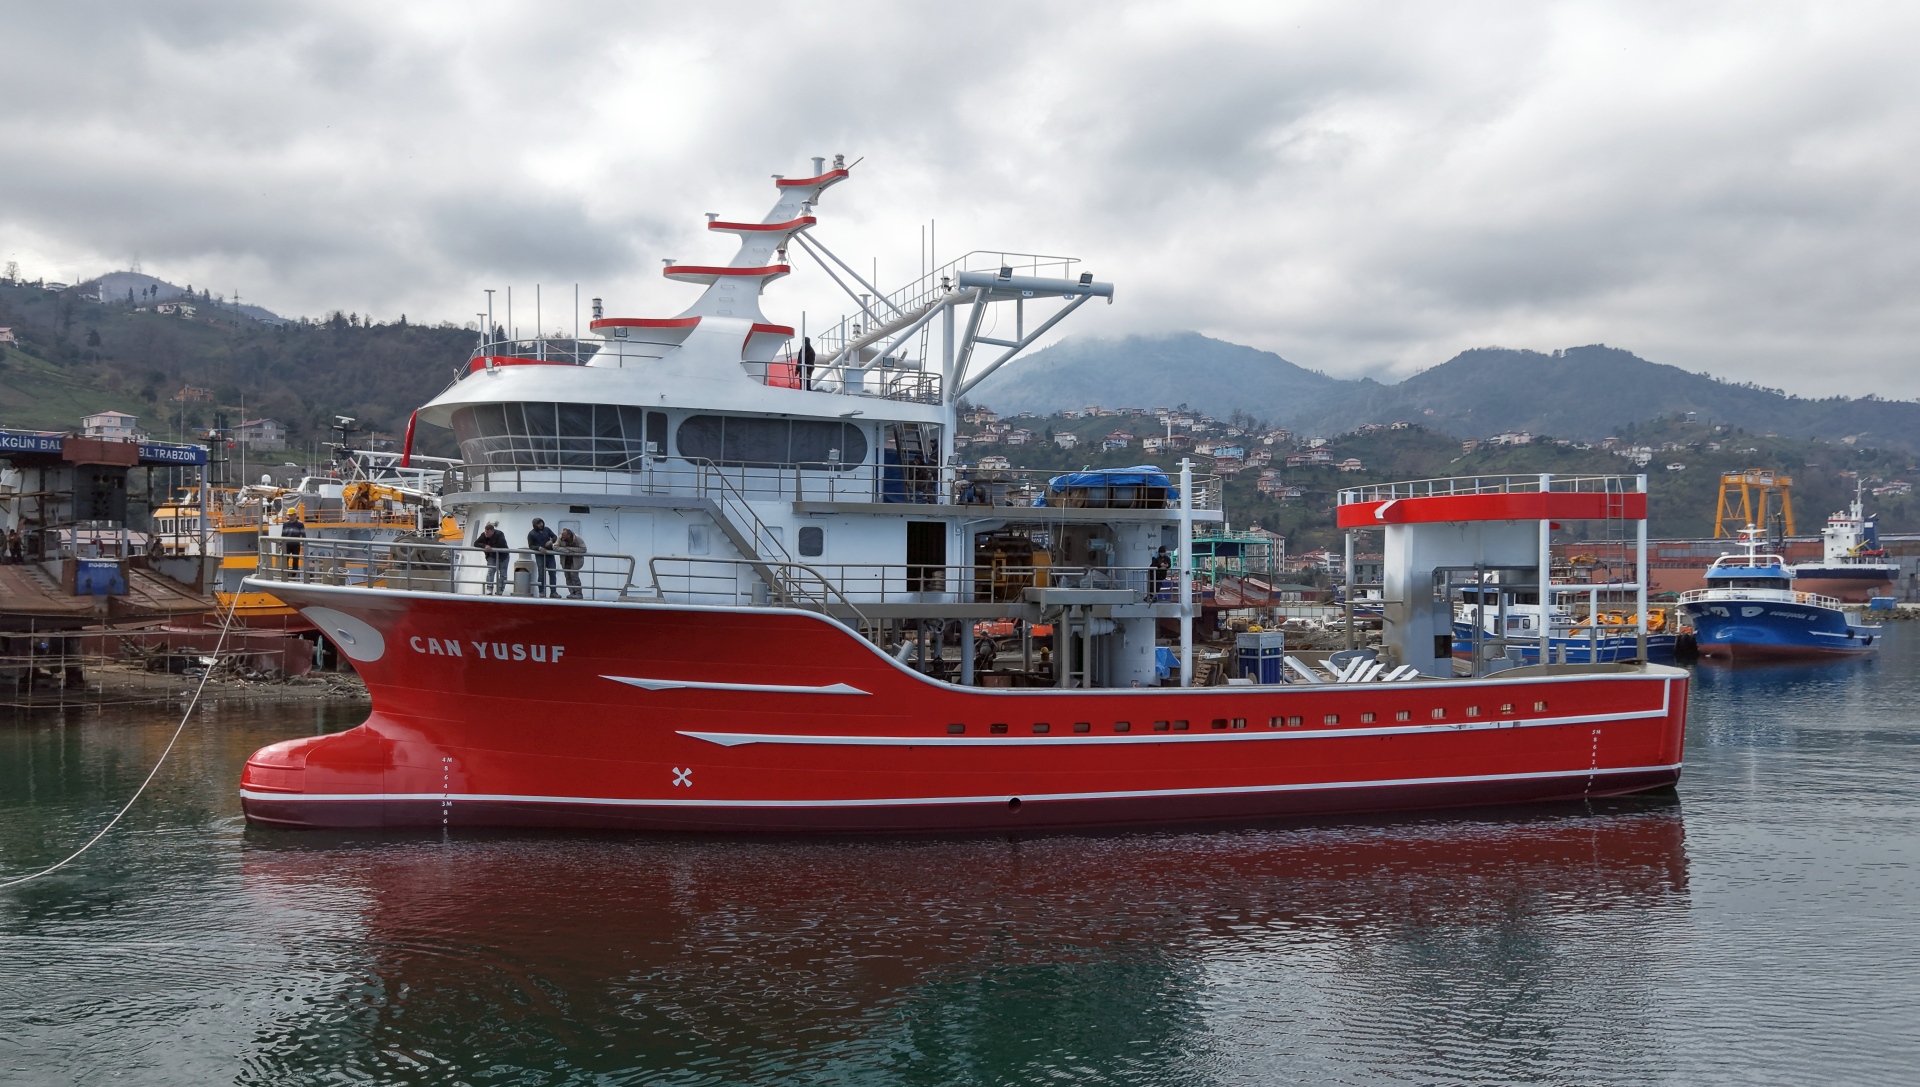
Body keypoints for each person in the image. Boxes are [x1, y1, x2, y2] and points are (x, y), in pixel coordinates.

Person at [474, 520, 510, 595]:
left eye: (488, 532)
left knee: (503, 574)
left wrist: (490, 547)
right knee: (490, 571)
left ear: (493, 531)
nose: (486, 534)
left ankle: (500, 590)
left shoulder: (500, 534)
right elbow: (476, 543)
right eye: (486, 532)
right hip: (491, 556)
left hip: (503, 556)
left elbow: (501, 544)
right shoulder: (483, 535)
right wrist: (485, 546)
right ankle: (489, 589)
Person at [527, 517, 558, 598]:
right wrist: (539, 548)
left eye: (541, 523)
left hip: (550, 555)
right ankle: (541, 592)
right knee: (541, 574)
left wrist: (551, 541)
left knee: (552, 573)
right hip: (540, 556)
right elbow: (531, 546)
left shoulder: (547, 529)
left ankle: (553, 592)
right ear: (535, 525)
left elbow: (555, 537)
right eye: (538, 523)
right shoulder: (531, 534)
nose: (541, 525)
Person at [555, 527, 587, 599]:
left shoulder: (577, 539)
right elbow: (555, 547)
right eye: (561, 535)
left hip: (575, 561)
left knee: (574, 575)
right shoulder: (560, 538)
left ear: (568, 535)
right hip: (565, 560)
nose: (562, 537)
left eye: (564, 535)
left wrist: (570, 549)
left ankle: (579, 593)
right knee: (567, 576)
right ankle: (572, 593)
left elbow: (583, 549)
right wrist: (566, 550)